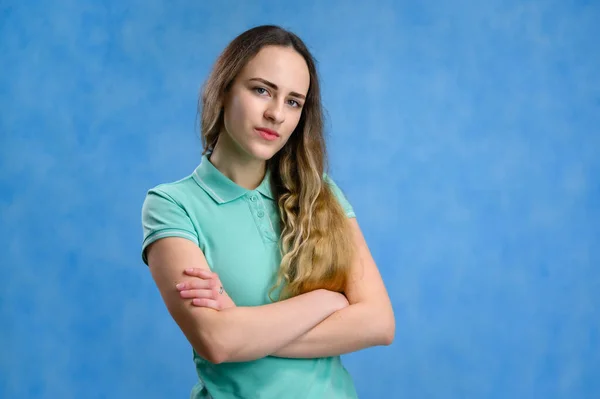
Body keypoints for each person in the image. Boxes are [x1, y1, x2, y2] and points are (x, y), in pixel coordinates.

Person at [141, 24, 395, 399]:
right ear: (224, 90)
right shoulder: (172, 206)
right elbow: (217, 341)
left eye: (293, 101)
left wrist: (246, 330)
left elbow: (378, 323)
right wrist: (327, 301)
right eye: (261, 90)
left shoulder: (321, 193)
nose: (277, 113)